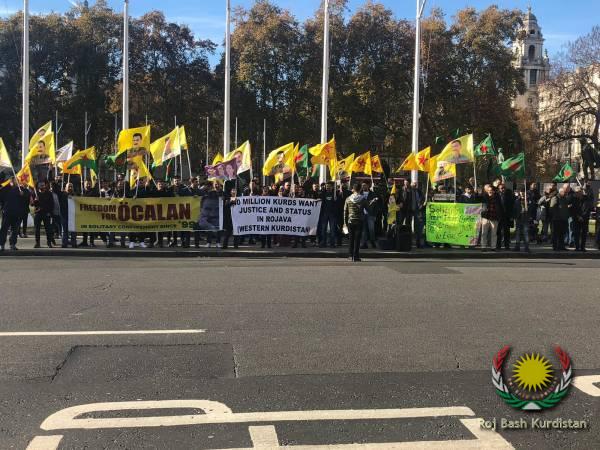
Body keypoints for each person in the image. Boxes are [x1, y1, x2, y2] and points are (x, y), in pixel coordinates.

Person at [0, 177, 27, 251]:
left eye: (17, 181)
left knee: (14, 230)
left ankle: (12, 244)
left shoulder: (20, 189)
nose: (16, 182)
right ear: (11, 181)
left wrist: (23, 195)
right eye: (15, 180)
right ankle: (2, 244)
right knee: (4, 229)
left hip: (17, 213)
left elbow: (26, 198)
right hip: (7, 212)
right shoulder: (5, 189)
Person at [344, 182, 367, 262]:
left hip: (350, 220)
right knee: (357, 239)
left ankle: (350, 255)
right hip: (359, 220)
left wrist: (345, 222)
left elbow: (345, 211)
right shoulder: (363, 199)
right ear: (360, 189)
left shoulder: (348, 199)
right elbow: (368, 208)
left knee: (351, 239)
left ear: (353, 189)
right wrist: (372, 202)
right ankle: (356, 256)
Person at [480, 184, 503, 251]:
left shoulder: (497, 198)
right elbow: (477, 199)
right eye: (488, 190)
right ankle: (483, 247)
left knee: (494, 234)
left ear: (494, 191)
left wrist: (499, 217)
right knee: (484, 233)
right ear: (487, 191)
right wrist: (476, 193)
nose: (490, 191)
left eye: (491, 190)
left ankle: (493, 247)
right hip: (486, 217)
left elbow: (501, 207)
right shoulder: (484, 197)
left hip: (494, 218)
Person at [33, 181, 54, 248]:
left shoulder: (49, 193)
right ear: (38, 186)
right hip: (38, 213)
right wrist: (35, 200)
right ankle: (37, 243)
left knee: (48, 229)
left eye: (43, 185)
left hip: (46, 213)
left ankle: (49, 242)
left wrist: (49, 212)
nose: (42, 186)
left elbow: (52, 204)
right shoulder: (35, 193)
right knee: (37, 229)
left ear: (45, 186)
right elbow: (32, 204)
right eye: (41, 185)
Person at [318, 182, 337, 248]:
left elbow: (338, 203)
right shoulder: (323, 193)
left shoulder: (335, 194)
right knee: (323, 229)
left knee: (332, 229)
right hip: (324, 213)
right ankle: (323, 242)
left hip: (332, 214)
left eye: (329, 186)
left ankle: (332, 243)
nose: (328, 187)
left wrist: (337, 199)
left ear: (332, 187)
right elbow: (320, 201)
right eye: (327, 186)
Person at [58, 183, 77, 248]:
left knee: (73, 230)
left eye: (71, 187)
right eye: (69, 187)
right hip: (64, 215)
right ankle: (64, 243)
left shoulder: (75, 195)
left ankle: (73, 243)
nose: (70, 188)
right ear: (65, 188)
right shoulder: (62, 194)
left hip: (73, 215)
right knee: (65, 230)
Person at [496, 183, 514, 250]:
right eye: (501, 188)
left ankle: (507, 246)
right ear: (499, 189)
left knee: (506, 232)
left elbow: (511, 206)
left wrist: (511, 216)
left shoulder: (509, 196)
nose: (502, 189)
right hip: (498, 216)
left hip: (507, 216)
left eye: (504, 188)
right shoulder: (496, 196)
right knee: (498, 232)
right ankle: (498, 246)